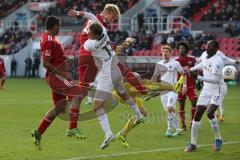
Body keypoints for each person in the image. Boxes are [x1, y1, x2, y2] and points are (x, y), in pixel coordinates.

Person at [66, 4, 148, 138]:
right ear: (107, 12)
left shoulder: (97, 22)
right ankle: (143, 92)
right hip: (89, 56)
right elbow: (97, 40)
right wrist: (122, 45)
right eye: (113, 17)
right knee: (116, 70)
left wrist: (77, 13)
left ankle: (73, 126)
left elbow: (89, 15)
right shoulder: (100, 26)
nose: (113, 20)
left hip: (88, 55)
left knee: (112, 85)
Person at [84, 21, 144, 149]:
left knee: (96, 106)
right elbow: (98, 27)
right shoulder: (105, 34)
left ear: (95, 34)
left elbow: (84, 43)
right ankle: (139, 115)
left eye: (90, 33)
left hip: (107, 75)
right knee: (123, 94)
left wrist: (86, 27)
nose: (88, 34)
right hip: (116, 69)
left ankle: (108, 134)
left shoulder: (91, 44)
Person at [30, 16, 86, 150]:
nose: (59, 28)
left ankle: (38, 132)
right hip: (56, 77)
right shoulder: (49, 40)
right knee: (78, 95)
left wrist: (63, 59)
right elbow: (46, 63)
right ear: (54, 25)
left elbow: (53, 58)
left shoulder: (51, 39)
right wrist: (62, 72)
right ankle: (72, 128)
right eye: (59, 25)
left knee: (60, 108)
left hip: (55, 76)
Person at [185, 41, 227, 152]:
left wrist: (197, 77)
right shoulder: (205, 55)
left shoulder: (218, 61)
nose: (207, 48)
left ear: (216, 49)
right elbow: (203, 64)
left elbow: (215, 79)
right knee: (197, 115)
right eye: (207, 46)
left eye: (210, 47)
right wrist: (191, 69)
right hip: (206, 89)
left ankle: (218, 139)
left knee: (209, 113)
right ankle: (193, 143)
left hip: (218, 89)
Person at [151, 45, 185, 137]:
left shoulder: (175, 63)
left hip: (173, 90)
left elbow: (183, 74)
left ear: (170, 53)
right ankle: (170, 129)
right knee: (168, 110)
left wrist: (184, 85)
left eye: (166, 52)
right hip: (163, 91)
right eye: (163, 52)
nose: (164, 53)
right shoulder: (159, 64)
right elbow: (154, 77)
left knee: (169, 107)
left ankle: (177, 129)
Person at [175, 42, 197, 130]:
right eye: (179, 48)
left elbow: (196, 71)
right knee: (181, 105)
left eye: (183, 48)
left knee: (194, 102)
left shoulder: (192, 59)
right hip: (180, 86)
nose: (181, 50)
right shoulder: (175, 61)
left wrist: (193, 73)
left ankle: (193, 123)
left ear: (186, 49)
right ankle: (183, 125)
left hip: (191, 85)